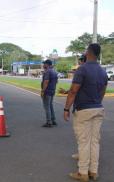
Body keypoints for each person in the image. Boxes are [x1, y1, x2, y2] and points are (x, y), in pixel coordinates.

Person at [64, 43, 108, 181]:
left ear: (88, 52)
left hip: (84, 110)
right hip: (98, 108)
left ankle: (82, 172)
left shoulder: (82, 70)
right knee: (95, 141)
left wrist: (66, 109)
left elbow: (73, 91)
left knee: (83, 142)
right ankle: (93, 171)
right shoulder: (103, 71)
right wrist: (95, 101)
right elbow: (102, 91)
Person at [41, 59, 58, 127]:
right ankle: (53, 120)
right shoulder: (54, 72)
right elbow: (56, 82)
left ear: (47, 64)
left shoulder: (47, 71)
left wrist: (43, 91)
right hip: (52, 90)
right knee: (50, 105)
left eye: (44, 64)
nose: (43, 65)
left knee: (47, 106)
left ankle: (49, 122)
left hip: (47, 91)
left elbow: (46, 81)